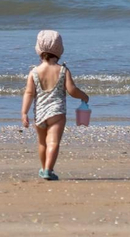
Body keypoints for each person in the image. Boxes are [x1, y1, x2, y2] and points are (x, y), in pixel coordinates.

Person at [20, 29, 89, 181]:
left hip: (39, 114)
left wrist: (24, 112)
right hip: (57, 114)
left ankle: (43, 168)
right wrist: (84, 96)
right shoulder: (63, 70)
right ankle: (48, 170)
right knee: (53, 142)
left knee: (42, 142)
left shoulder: (34, 72)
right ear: (59, 50)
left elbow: (29, 93)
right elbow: (72, 90)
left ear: (39, 50)